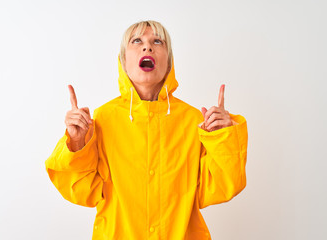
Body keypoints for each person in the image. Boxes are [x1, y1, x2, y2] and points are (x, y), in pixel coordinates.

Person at [45, 20, 248, 240]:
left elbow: (219, 186)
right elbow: (83, 192)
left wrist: (223, 137)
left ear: (169, 62)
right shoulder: (102, 120)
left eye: (157, 41)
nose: (147, 47)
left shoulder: (193, 121)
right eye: (137, 41)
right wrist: (76, 142)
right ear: (123, 60)